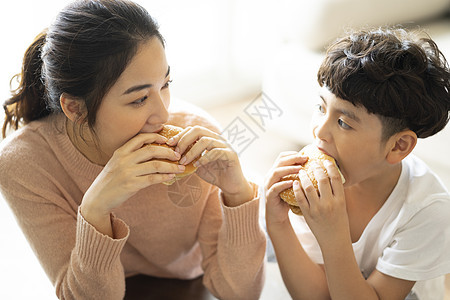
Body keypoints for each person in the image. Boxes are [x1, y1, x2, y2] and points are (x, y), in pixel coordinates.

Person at [0, 0, 266, 299]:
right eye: (139, 99)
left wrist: (238, 193)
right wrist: (96, 209)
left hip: (186, 281)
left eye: (165, 84)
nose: (163, 115)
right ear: (74, 108)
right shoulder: (24, 163)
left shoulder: (197, 139)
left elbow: (240, 293)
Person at [264, 27, 450, 300]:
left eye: (343, 123)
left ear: (398, 146)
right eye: (320, 108)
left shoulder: (427, 210)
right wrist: (277, 224)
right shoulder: (318, 186)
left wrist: (333, 234)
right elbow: (317, 295)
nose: (319, 131)